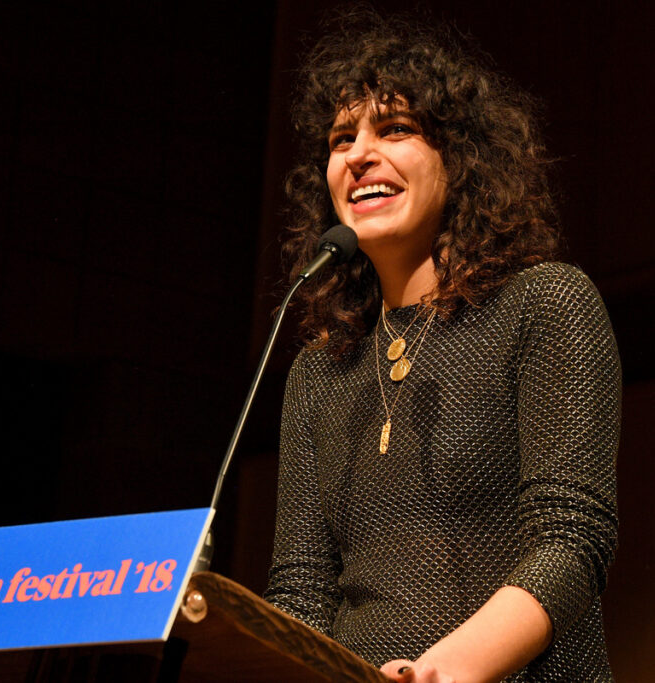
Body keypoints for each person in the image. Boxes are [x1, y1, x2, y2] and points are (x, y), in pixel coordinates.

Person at [264, 10, 620, 683]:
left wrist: (443, 670)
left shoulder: (545, 304)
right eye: (342, 139)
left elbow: (574, 540)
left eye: (395, 129)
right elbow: (302, 592)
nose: (360, 153)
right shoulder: (319, 370)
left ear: (459, 159)